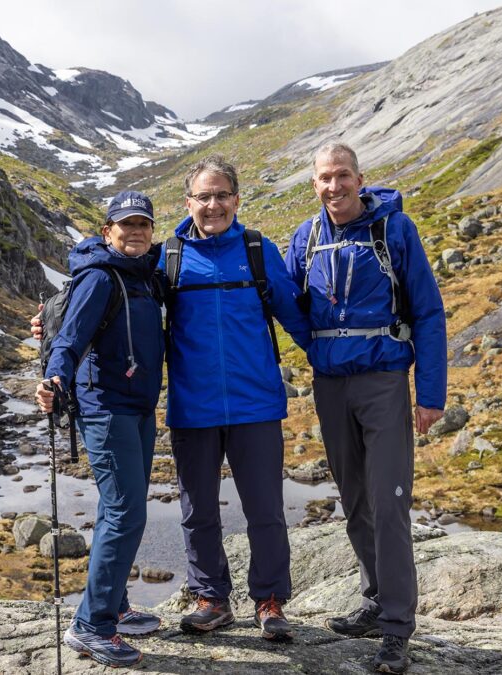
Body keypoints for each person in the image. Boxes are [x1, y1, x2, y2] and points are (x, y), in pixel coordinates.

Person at [285, 142, 446, 674]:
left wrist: (430, 394)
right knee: (355, 498)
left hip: (382, 381)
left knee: (390, 499)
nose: (335, 187)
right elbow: (286, 302)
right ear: (314, 184)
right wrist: (317, 348)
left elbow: (427, 310)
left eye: (343, 176)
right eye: (325, 178)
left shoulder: (394, 230)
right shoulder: (306, 238)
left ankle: (398, 628)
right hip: (331, 386)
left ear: (360, 178)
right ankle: (375, 600)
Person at [163, 155, 312, 642]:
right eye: (203, 196)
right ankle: (211, 599)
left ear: (236, 199)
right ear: (189, 203)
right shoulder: (169, 258)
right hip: (193, 407)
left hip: (256, 405)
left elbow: (296, 315)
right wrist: (55, 323)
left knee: (265, 510)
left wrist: (340, 367)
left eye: (222, 195)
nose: (213, 205)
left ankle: (269, 601)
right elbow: (119, 301)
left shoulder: (257, 250)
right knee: (197, 511)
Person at [35, 190, 164, 668]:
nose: (134, 232)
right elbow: (69, 340)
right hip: (105, 409)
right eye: (125, 224)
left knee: (124, 510)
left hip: (140, 407)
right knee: (125, 512)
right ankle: (91, 625)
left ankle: (114, 604)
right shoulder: (100, 278)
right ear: (107, 230)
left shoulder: (149, 277)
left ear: (152, 233)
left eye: (143, 225)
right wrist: (53, 379)